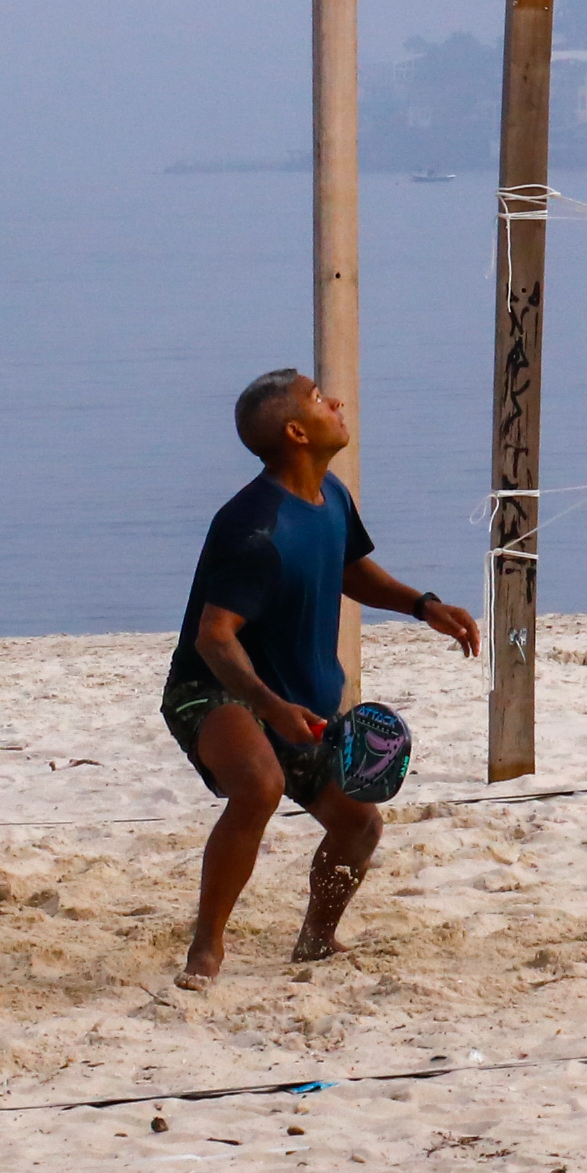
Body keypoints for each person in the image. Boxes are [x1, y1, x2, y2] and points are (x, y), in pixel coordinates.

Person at [164, 366, 481, 989]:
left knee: (359, 823)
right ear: (295, 432)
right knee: (258, 785)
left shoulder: (330, 495)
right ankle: (207, 948)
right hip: (216, 687)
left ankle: (315, 940)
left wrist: (424, 606)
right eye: (317, 398)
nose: (334, 401)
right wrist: (270, 704)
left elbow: (350, 568)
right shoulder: (253, 526)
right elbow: (214, 634)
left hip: (297, 697)